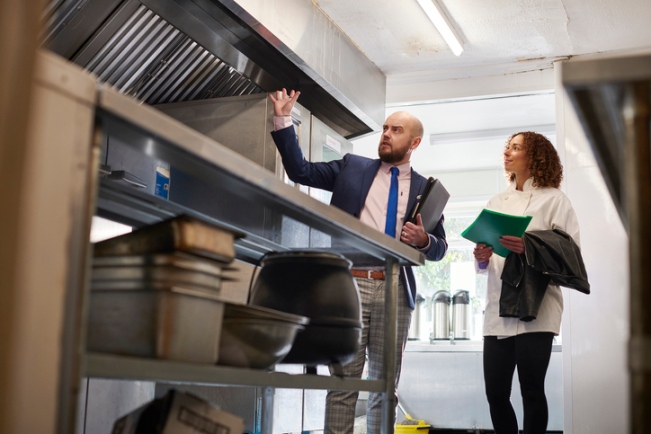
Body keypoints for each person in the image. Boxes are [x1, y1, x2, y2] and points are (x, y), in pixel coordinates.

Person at [268, 88, 447, 434]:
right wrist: (283, 119)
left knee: (384, 388)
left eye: (396, 131)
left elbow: (439, 248)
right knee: (343, 383)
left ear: (415, 143)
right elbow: (300, 171)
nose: (386, 135)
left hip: (396, 289)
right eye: (385, 128)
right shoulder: (352, 167)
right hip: (349, 285)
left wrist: (424, 240)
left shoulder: (427, 189)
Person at [473, 131, 588, 434]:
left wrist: (530, 246)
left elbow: (570, 251)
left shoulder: (555, 200)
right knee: (495, 393)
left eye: (516, 148)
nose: (508, 153)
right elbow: (487, 264)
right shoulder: (497, 201)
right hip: (498, 309)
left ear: (535, 156)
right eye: (507, 148)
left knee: (532, 391)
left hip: (538, 310)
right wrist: (482, 255)